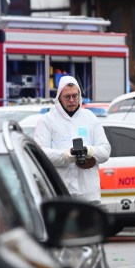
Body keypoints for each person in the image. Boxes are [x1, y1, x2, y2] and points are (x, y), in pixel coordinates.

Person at [35, 75, 111, 204]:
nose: (72, 100)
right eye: (67, 97)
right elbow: (40, 154)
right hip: (59, 193)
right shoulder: (47, 120)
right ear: (59, 97)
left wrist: (89, 151)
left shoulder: (90, 118)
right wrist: (65, 156)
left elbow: (105, 151)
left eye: (75, 96)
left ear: (79, 95)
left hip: (88, 195)